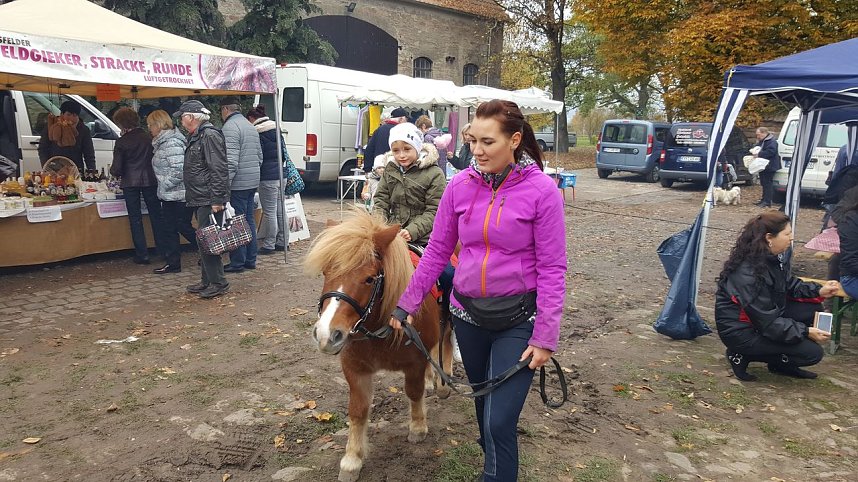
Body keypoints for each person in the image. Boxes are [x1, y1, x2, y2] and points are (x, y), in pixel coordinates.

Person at [389, 100, 567, 481]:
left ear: (514, 140)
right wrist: (407, 304)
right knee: (484, 411)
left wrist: (546, 336)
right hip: (468, 317)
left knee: (500, 421)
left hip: (518, 321)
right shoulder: (459, 186)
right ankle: (496, 467)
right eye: (473, 141)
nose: (477, 151)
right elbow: (437, 250)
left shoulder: (542, 192)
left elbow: (553, 268)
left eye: (488, 142)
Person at [715, 211, 838, 381]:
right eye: (787, 234)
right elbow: (768, 323)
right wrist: (806, 331)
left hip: (762, 319)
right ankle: (742, 354)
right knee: (812, 354)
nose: (791, 238)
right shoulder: (748, 274)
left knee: (812, 308)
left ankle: (779, 364)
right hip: (742, 333)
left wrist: (819, 290)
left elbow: (787, 284)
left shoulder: (767, 258)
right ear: (769, 238)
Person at [177, 100, 230, 299]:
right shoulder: (198, 135)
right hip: (200, 196)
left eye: (182, 117)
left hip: (208, 198)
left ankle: (218, 282)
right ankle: (208, 280)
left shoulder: (209, 135)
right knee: (204, 240)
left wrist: (217, 199)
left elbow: (218, 169)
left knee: (209, 241)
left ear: (191, 117)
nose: (181, 121)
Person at [372, 122, 446, 246]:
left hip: (425, 237)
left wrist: (412, 231)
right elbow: (381, 201)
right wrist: (380, 226)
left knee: (444, 265)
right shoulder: (390, 170)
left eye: (407, 149)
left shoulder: (434, 173)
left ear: (417, 147)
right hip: (393, 233)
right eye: (396, 150)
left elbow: (435, 210)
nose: (401, 155)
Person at [109, 107, 165, 266]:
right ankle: (163, 250)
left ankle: (142, 254)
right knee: (156, 216)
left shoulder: (122, 142)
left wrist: (113, 171)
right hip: (150, 180)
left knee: (135, 219)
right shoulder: (149, 138)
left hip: (130, 183)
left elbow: (117, 169)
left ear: (121, 124)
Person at [148, 109, 195, 274]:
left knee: (181, 226)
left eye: (150, 125)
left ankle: (208, 250)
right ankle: (173, 263)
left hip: (178, 194)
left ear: (158, 124)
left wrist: (164, 185)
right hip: (170, 194)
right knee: (170, 229)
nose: (149, 128)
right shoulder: (163, 142)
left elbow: (179, 170)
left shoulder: (171, 143)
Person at [220, 96, 263, 273]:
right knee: (248, 220)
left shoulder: (230, 127)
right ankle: (250, 259)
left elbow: (230, 161)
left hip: (238, 182)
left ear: (225, 110)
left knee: (236, 221)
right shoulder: (249, 125)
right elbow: (259, 156)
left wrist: (224, 185)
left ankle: (238, 262)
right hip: (252, 180)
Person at [246, 104, 287, 254]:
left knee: (269, 212)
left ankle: (269, 244)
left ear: (251, 119)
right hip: (282, 175)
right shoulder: (277, 129)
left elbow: (259, 157)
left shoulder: (258, 133)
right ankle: (283, 241)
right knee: (281, 209)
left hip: (268, 177)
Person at [38, 100, 95, 174]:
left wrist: (92, 172)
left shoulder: (83, 130)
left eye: (74, 115)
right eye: (68, 114)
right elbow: (43, 148)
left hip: (75, 170)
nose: (71, 118)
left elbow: (89, 154)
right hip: (54, 169)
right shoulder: (52, 127)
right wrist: (46, 167)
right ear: (62, 114)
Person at [362, 107, 408, 174]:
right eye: (406, 120)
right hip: (395, 170)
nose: (406, 122)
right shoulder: (401, 131)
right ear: (401, 119)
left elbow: (369, 150)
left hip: (379, 169)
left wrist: (367, 170)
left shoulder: (379, 129)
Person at [754, 127, 780, 207]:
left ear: (763, 133)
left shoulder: (772, 141)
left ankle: (767, 201)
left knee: (767, 184)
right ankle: (763, 199)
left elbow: (771, 152)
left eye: (758, 134)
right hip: (763, 165)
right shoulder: (762, 141)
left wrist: (759, 154)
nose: (757, 136)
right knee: (764, 183)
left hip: (770, 165)